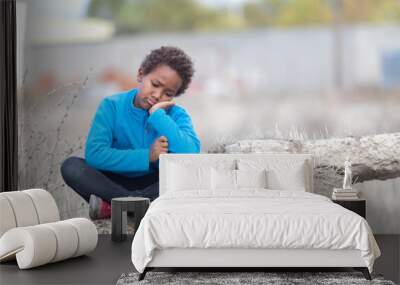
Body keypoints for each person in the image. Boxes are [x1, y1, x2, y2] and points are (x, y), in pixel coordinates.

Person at [60, 46, 200, 219]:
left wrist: (158, 116)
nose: (157, 95)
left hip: (153, 183)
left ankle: (115, 207)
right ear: (141, 75)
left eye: (168, 93)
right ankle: (139, 205)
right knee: (72, 167)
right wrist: (147, 156)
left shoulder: (176, 115)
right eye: (155, 84)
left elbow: (192, 154)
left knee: (192, 176)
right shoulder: (112, 105)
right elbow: (95, 155)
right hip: (111, 181)